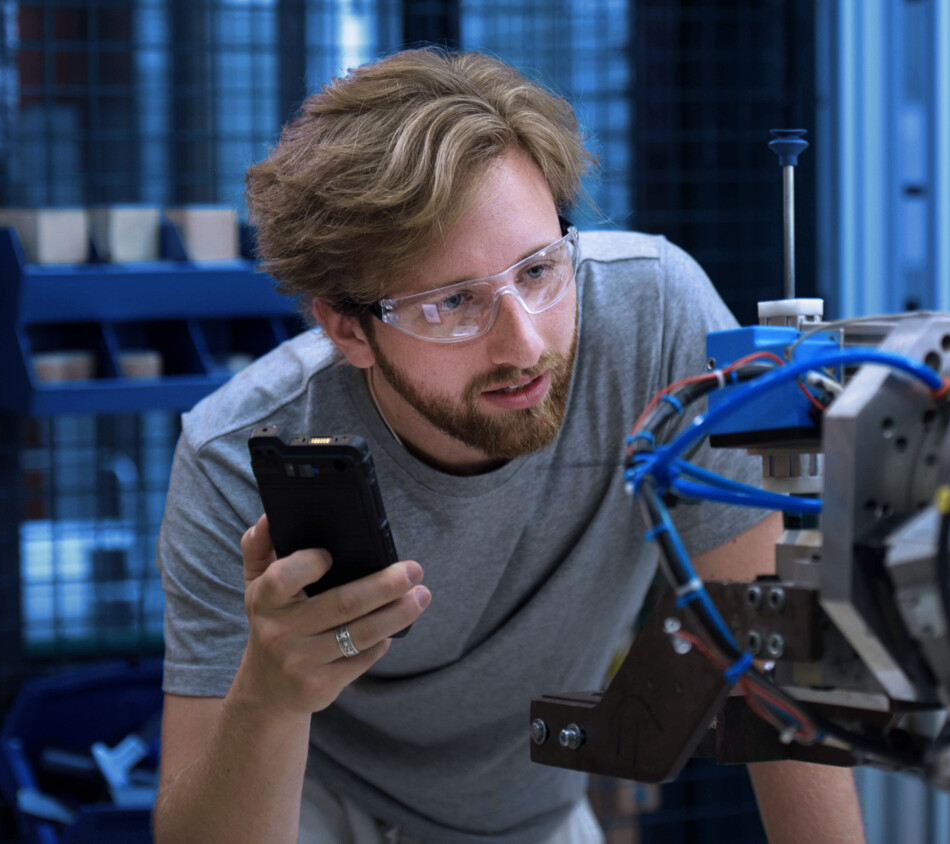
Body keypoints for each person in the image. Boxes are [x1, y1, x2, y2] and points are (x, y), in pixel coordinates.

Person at [153, 48, 864, 844]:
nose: (523, 345)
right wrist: (268, 698)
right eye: (452, 301)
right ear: (346, 327)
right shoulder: (232, 455)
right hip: (313, 804)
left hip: (531, 815)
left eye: (537, 270)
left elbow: (765, 649)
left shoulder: (656, 322)